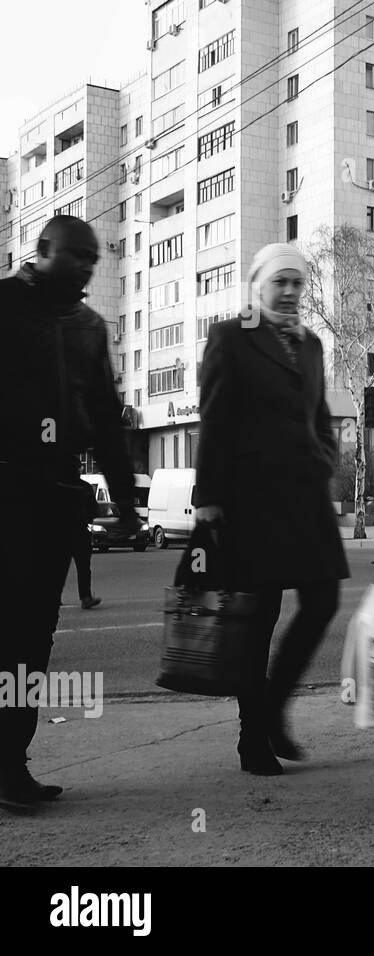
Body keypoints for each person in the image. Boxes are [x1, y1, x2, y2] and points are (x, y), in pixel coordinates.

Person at [193, 242, 350, 776]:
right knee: (256, 619)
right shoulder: (231, 336)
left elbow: (320, 413)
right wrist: (208, 499)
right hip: (250, 500)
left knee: (323, 599)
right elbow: (213, 418)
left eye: (296, 283)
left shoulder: (310, 346)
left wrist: (326, 457)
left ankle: (275, 704)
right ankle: (252, 735)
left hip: (306, 498)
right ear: (257, 285)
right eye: (278, 282)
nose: (288, 292)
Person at [0, 215, 139, 810]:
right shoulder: (4, 302)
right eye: (76, 254)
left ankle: (11, 763)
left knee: (33, 638)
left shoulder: (88, 326)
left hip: (56, 497)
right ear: (42, 251)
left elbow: (107, 421)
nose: (86, 265)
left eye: (93, 257)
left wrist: (126, 503)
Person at [64, 479, 102, 609]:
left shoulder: (56, 483)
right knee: (83, 567)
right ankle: (85, 597)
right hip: (79, 531)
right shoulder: (84, 487)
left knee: (58, 567)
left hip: (63, 532)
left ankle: (53, 597)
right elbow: (95, 509)